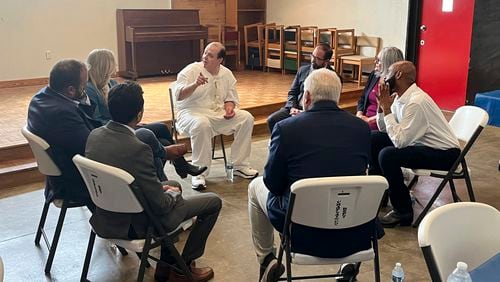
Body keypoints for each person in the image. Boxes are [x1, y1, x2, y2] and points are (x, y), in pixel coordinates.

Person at [85, 81, 222, 282]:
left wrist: (166, 189)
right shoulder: (138, 148)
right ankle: (182, 268)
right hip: (138, 224)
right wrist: (170, 195)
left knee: (173, 185)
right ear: (139, 114)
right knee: (212, 202)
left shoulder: (94, 136)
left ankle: (166, 267)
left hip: (106, 216)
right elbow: (160, 205)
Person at [248, 68, 371, 280]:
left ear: (306, 97)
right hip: (354, 232)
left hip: (301, 232)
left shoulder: (286, 128)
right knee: (346, 189)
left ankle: (267, 259)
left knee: (254, 187)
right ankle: (348, 264)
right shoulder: (361, 128)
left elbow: (273, 184)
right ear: (338, 96)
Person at [86, 49, 206, 180]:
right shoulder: (90, 89)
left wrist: (132, 122)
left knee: (163, 139)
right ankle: (178, 167)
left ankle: (166, 176)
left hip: (125, 123)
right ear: (104, 66)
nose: (115, 67)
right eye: (113, 64)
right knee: (160, 131)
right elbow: (97, 120)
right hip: (115, 129)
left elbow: (124, 106)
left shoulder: (112, 83)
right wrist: (130, 124)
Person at [371, 61, 460, 227]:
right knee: (374, 139)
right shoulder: (399, 97)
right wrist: (382, 107)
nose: (384, 76)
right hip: (421, 145)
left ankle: (403, 211)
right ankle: (380, 193)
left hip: (445, 154)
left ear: (398, 74)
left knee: (388, 155)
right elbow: (386, 130)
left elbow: (399, 141)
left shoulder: (416, 102)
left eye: (389, 71)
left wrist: (387, 109)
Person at [172, 42, 258, 190]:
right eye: (205, 53)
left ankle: (239, 165)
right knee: (202, 124)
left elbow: (230, 98)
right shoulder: (192, 70)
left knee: (246, 118)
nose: (205, 57)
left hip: (217, 114)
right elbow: (178, 95)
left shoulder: (226, 73)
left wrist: (229, 109)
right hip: (191, 113)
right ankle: (199, 173)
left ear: (220, 60)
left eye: (210, 55)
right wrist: (195, 84)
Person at [27, 59, 100, 209]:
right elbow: (93, 149)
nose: (86, 88)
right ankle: (149, 218)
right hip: (76, 182)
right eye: (85, 85)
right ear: (71, 90)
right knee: (143, 143)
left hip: (62, 172)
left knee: (152, 132)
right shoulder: (62, 114)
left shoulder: (41, 97)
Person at [266, 43, 338, 132]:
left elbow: (328, 102)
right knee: (272, 119)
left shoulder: (332, 77)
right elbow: (292, 92)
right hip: (295, 108)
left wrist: (305, 112)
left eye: (317, 58)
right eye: (312, 56)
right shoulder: (303, 70)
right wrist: (293, 107)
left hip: (314, 113)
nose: (313, 60)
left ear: (326, 61)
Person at [356, 47, 404, 130]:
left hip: (381, 126)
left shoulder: (397, 83)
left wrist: (369, 120)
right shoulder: (374, 75)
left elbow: (394, 111)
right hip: (363, 120)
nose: (375, 62)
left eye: (378, 60)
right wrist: (359, 115)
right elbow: (363, 99)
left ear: (388, 63)